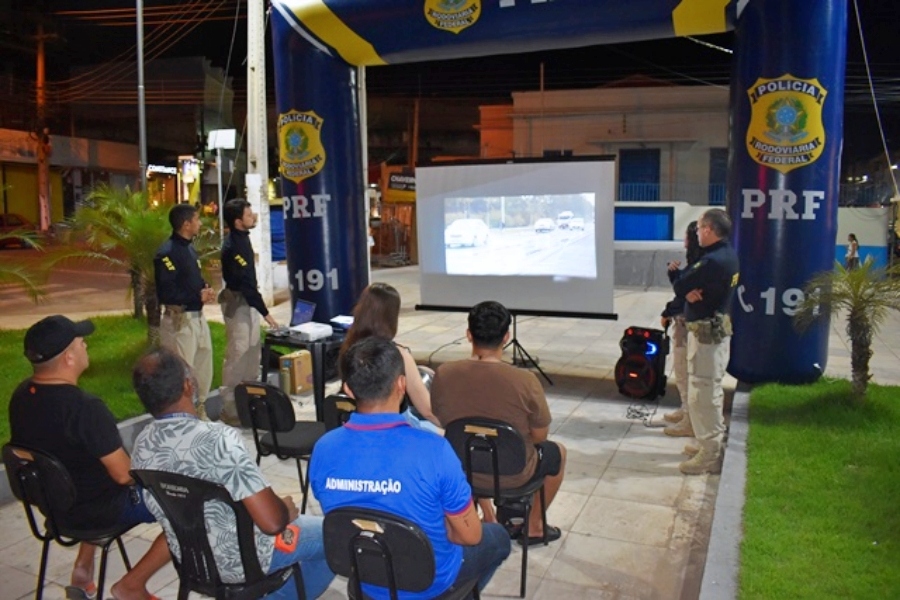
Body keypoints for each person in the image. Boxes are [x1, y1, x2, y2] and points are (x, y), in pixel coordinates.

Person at [309, 337, 510, 599]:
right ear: (401, 384)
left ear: (347, 389)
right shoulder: (434, 450)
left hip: (365, 577)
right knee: (498, 538)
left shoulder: (323, 449)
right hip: (431, 582)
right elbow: (469, 536)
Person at [130, 347, 334, 599]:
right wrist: (285, 510)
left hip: (192, 561)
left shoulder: (142, 444)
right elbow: (271, 523)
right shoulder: (218, 439)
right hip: (244, 559)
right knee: (333, 534)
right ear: (187, 386)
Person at [9, 315, 170, 600]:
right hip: (98, 511)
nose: (86, 346)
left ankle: (83, 570)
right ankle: (131, 586)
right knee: (191, 505)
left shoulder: (22, 396)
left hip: (56, 507)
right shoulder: (84, 409)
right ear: (69, 357)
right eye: (81, 343)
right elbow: (123, 475)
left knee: (89, 475)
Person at [430, 300, 567, 546]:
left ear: (469, 335)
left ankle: (483, 517)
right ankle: (534, 526)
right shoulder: (525, 380)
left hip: (461, 469)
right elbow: (540, 436)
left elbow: (443, 421)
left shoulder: (445, 373)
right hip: (513, 474)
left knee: (465, 444)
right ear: (506, 336)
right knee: (557, 453)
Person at [671, 208, 740, 475]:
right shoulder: (726, 255)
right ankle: (705, 443)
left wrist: (685, 286)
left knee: (704, 394)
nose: (697, 233)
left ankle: (710, 453)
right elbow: (687, 285)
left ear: (709, 229)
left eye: (699, 228)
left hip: (708, 338)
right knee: (704, 391)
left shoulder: (713, 260)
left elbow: (681, 282)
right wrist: (688, 288)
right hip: (710, 335)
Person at [339, 282, 441, 432]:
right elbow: (427, 410)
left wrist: (416, 370)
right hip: (395, 429)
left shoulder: (349, 347)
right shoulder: (399, 355)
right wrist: (453, 428)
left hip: (360, 424)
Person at [218, 199, 279, 425]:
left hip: (249, 304)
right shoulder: (233, 246)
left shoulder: (243, 239)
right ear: (237, 221)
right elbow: (245, 284)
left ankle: (251, 405)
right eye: (249, 213)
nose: (253, 216)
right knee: (238, 355)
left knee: (253, 354)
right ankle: (231, 410)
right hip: (239, 305)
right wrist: (267, 314)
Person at [154, 203, 215, 419]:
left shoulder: (189, 248)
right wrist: (196, 297)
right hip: (181, 321)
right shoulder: (166, 253)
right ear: (186, 224)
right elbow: (167, 292)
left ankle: (200, 410)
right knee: (182, 372)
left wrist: (205, 288)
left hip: (197, 318)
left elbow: (191, 279)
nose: (200, 223)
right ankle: (181, 416)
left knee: (203, 367)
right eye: (197, 219)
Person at [660, 221, 704, 435]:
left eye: (687, 236)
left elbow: (685, 297)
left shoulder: (703, 264)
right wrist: (675, 276)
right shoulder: (697, 262)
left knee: (684, 370)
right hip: (684, 322)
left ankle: (690, 420)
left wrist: (667, 311)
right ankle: (685, 409)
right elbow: (683, 290)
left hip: (688, 324)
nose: (684, 241)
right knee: (681, 370)